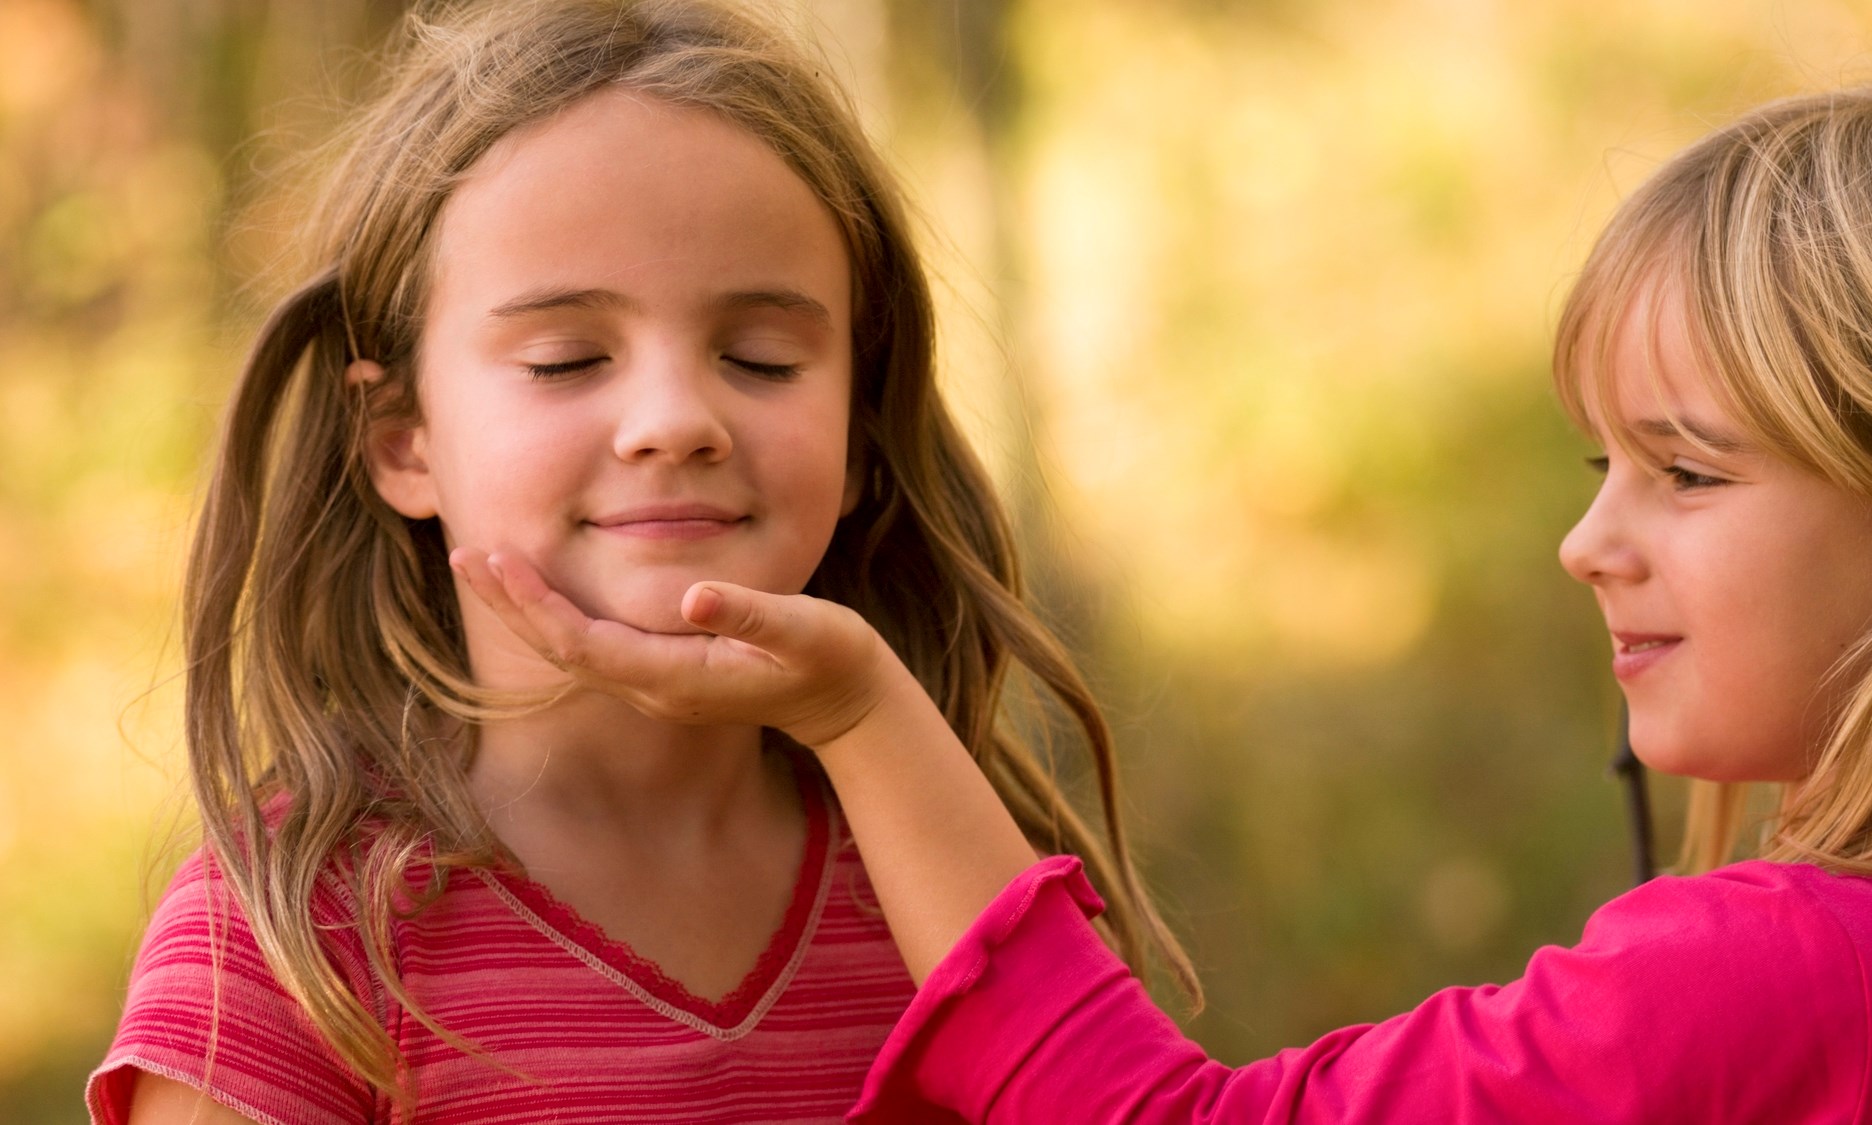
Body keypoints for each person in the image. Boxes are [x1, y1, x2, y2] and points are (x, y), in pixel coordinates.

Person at [457, 76, 1872, 1121]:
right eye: (1601, 463)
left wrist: (859, 711)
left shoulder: (1799, 982)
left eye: (1689, 471)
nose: (1588, 543)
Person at [86, 2, 1196, 1122]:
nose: (674, 419)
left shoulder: (953, 881)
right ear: (402, 444)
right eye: (567, 360)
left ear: (861, 435)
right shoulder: (292, 945)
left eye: (759, 359)